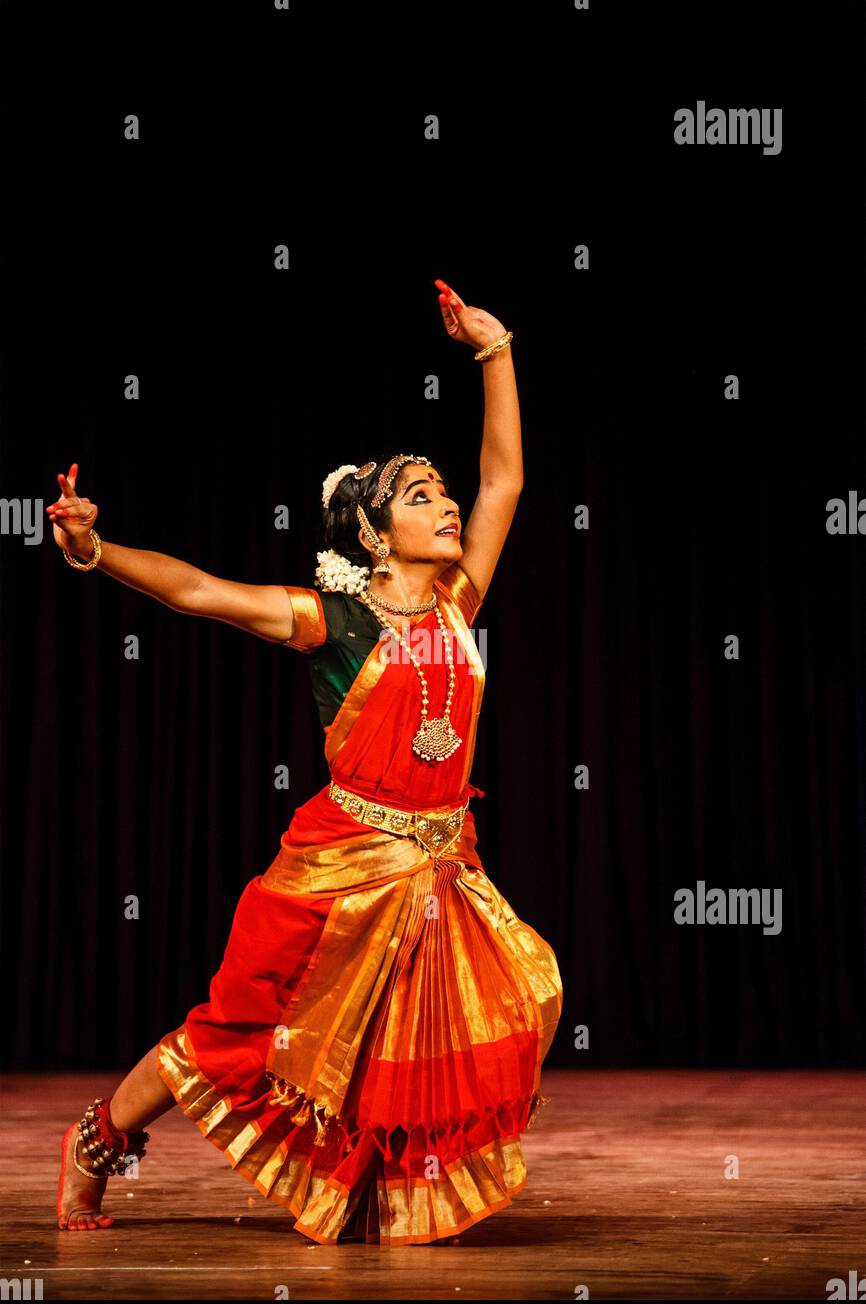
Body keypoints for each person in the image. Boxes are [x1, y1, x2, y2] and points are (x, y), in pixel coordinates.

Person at [52, 280, 563, 1245]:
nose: (449, 504)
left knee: (456, 1023)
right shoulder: (331, 621)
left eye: (443, 493)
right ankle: (95, 1142)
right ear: (374, 534)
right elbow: (201, 591)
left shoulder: (458, 597)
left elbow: (507, 483)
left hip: (438, 870)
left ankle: (372, 1194)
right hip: (336, 874)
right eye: (422, 497)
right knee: (236, 1038)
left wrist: (495, 355)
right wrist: (95, 549)